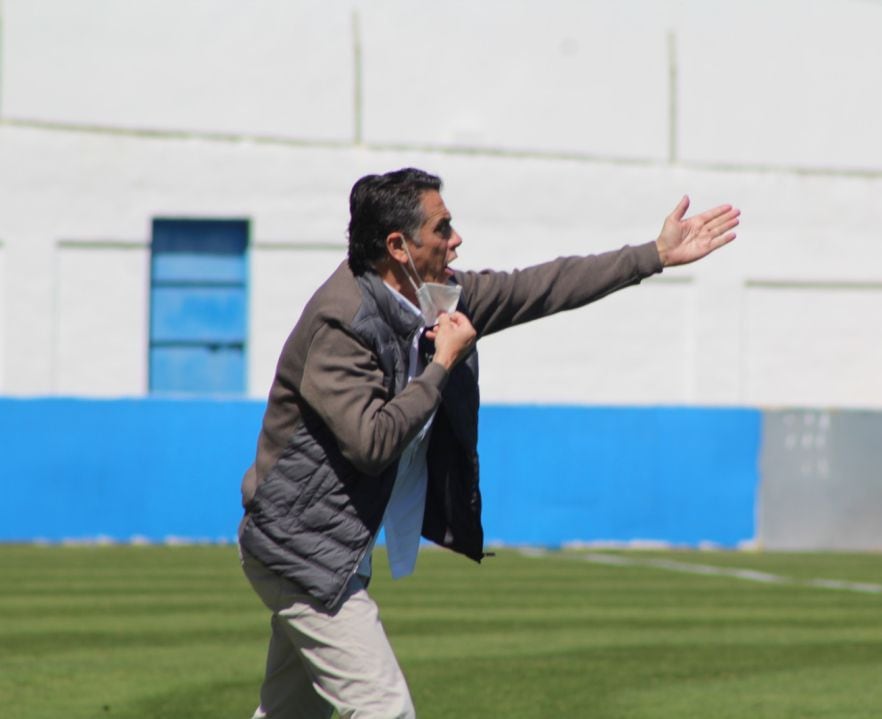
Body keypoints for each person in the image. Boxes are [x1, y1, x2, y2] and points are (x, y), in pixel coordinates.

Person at [237, 167, 740, 718]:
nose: (456, 241)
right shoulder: (342, 321)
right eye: (443, 229)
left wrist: (654, 255)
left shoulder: (434, 297)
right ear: (398, 247)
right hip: (299, 552)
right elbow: (372, 443)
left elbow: (538, 287)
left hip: (329, 549)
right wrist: (442, 364)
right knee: (386, 711)